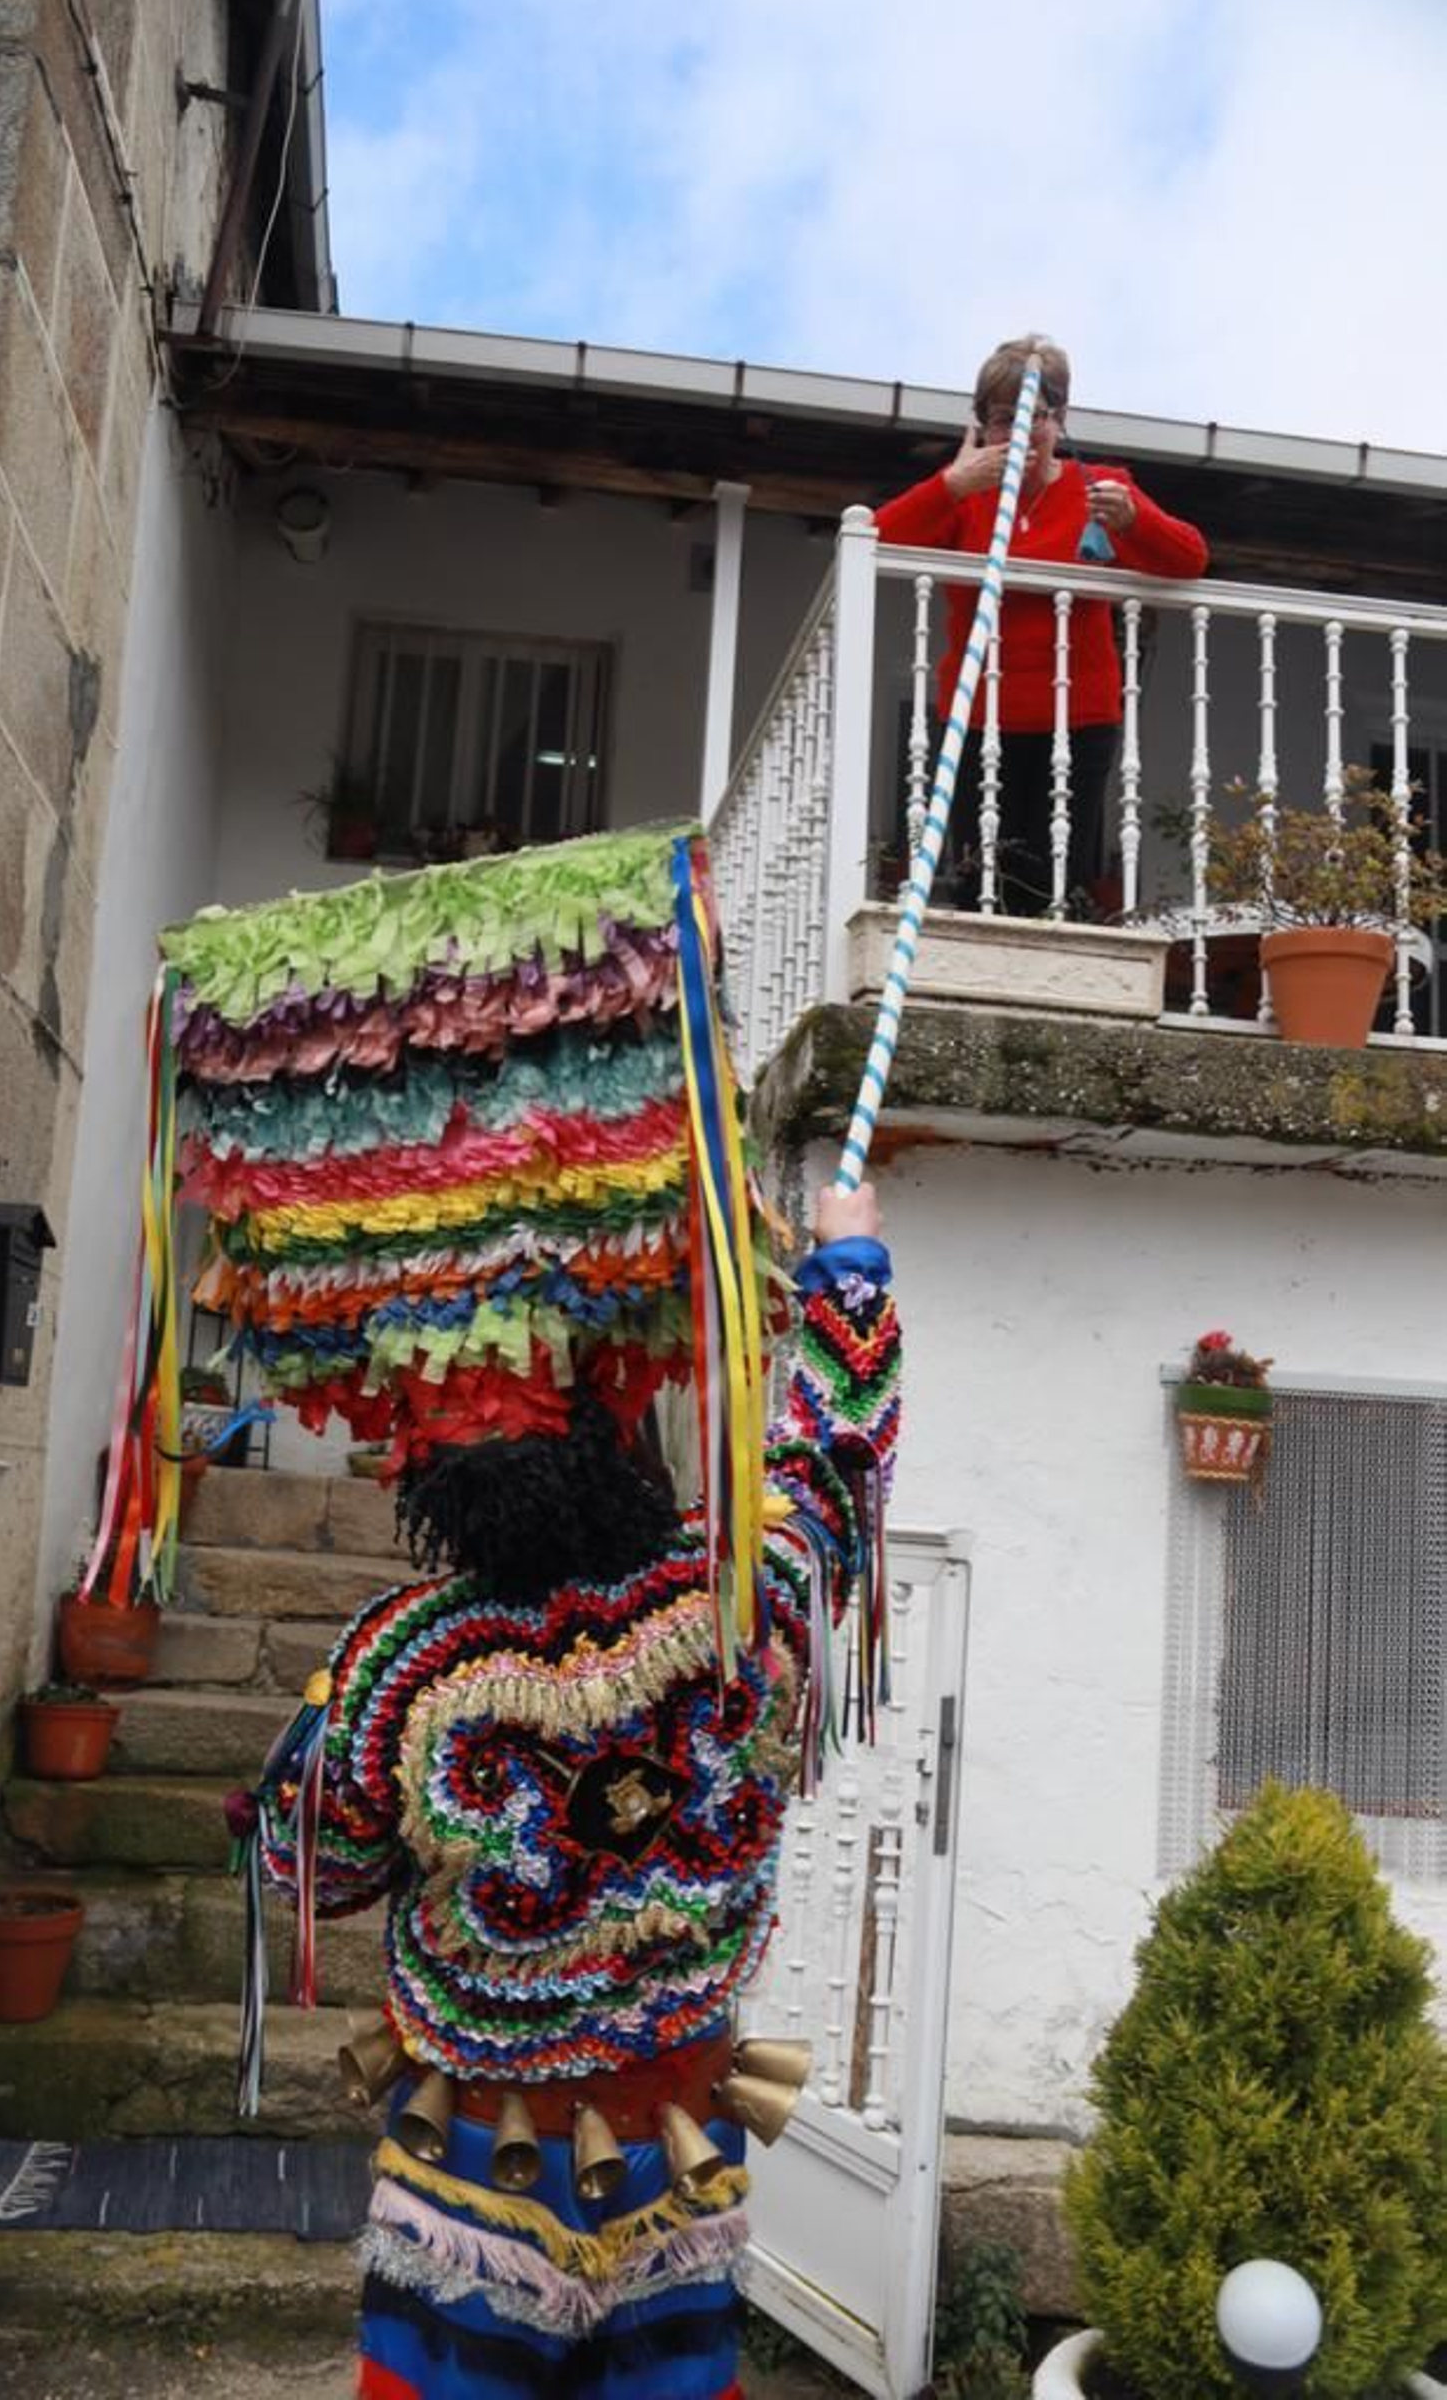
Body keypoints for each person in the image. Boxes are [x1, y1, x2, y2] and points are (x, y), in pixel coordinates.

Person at [178, 825, 902, 2400]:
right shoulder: (745, 1597)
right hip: (679, 2165)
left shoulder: (399, 1665)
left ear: (424, 1471)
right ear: (622, 1415)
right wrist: (849, 1271)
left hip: (471, 2181)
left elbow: (313, 1865)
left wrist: (288, 1791)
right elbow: (835, 1472)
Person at [875, 333, 1208, 917]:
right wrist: (952, 486)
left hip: (1075, 717)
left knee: (1062, 871)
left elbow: (1189, 558)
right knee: (986, 868)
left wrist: (1135, 520)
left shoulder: (1097, 488)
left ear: (1061, 420)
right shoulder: (963, 494)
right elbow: (870, 541)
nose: (1023, 431)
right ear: (981, 426)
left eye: (1038, 415)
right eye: (1006, 418)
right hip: (979, 715)